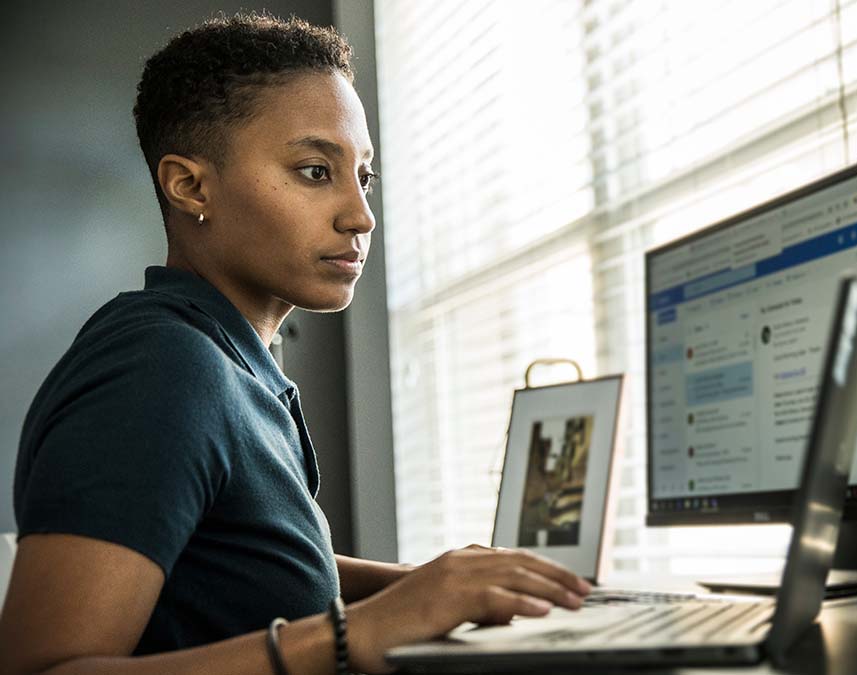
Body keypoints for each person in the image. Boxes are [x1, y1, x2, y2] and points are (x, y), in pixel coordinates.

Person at [0, 13, 590, 675]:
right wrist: (350, 635)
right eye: (315, 171)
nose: (360, 215)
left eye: (363, 178)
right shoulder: (161, 368)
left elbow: (235, 555)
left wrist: (425, 582)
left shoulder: (229, 362)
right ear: (189, 185)